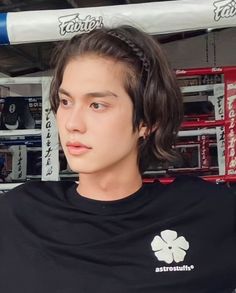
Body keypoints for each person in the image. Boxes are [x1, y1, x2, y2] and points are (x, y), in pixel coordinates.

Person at [0, 25, 235, 293]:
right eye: (66, 102)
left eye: (96, 105)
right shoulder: (18, 215)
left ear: (148, 120)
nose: (72, 123)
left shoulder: (209, 213)